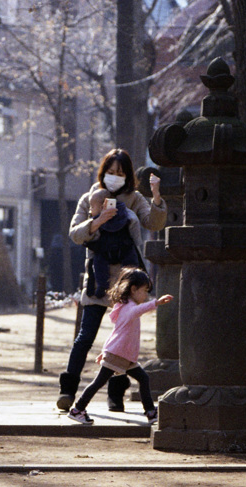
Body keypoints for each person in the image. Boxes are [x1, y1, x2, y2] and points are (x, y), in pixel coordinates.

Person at [57, 148, 167, 412]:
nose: (114, 177)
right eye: (110, 172)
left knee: (124, 337)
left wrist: (157, 197)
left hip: (127, 277)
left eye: (120, 173)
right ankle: (67, 391)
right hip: (98, 275)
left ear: (127, 175)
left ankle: (115, 396)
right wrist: (97, 222)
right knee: (85, 336)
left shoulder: (134, 198)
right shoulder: (89, 198)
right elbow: (74, 234)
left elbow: (153, 223)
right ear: (103, 172)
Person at [68, 267, 173, 425]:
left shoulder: (125, 306)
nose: (146, 295)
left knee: (143, 378)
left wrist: (104, 351)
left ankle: (151, 412)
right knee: (99, 382)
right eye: (144, 291)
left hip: (124, 355)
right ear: (133, 289)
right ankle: (78, 409)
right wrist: (156, 302)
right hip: (119, 355)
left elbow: (116, 332)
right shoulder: (129, 308)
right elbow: (138, 311)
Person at [83, 189, 138, 299]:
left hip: (123, 248)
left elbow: (134, 227)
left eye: (92, 207)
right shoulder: (96, 220)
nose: (90, 211)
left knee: (130, 265)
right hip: (105, 250)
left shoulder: (123, 214)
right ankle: (103, 285)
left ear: (102, 207)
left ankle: (128, 284)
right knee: (97, 263)